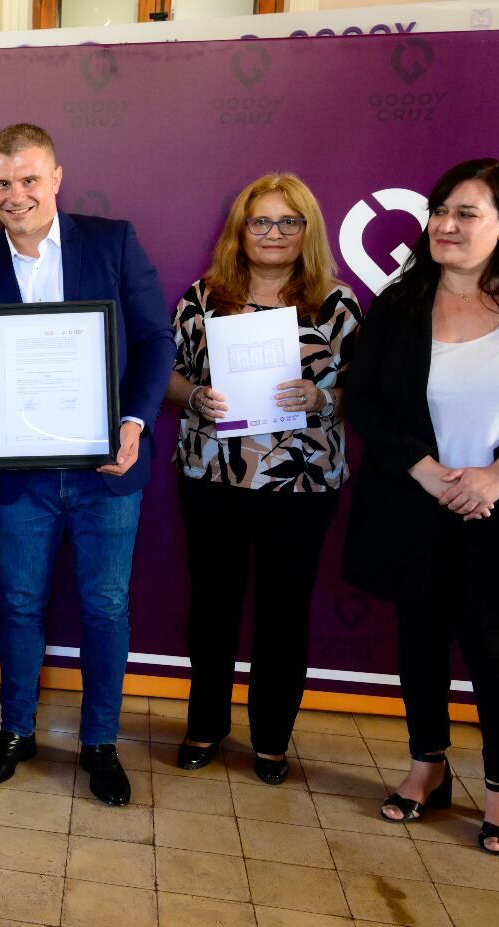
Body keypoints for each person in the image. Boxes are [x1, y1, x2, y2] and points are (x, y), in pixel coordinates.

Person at [344, 159, 499, 856]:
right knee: (420, 639)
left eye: (466, 213)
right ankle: (428, 766)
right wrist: (423, 470)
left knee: (497, 650)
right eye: (440, 210)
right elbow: (366, 403)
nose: (445, 224)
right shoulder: (402, 302)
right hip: (416, 504)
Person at [0, 123, 175, 805]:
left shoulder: (111, 242)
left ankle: (99, 742)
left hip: (106, 469)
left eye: (27, 179)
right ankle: (16, 730)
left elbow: (154, 339)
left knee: (105, 606)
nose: (14, 195)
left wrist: (133, 423)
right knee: (20, 604)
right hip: (21, 474)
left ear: (55, 177)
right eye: (1, 184)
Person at [165, 174, 362, 786]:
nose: (274, 234)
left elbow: (370, 391)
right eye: (261, 222)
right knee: (214, 605)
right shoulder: (203, 297)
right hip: (212, 475)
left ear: (308, 230)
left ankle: (272, 738)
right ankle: (205, 726)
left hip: (299, 486)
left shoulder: (338, 303)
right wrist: (193, 396)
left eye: (288, 222)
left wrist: (322, 398)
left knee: (284, 612)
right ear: (240, 230)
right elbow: (168, 374)